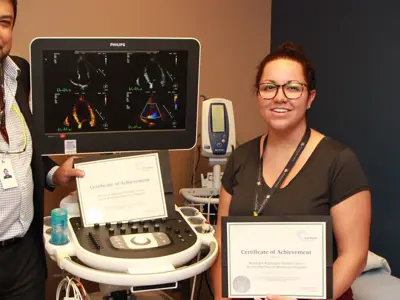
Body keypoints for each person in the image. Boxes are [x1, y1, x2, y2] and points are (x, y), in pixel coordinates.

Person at [210, 42, 371, 300]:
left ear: (310, 98)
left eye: (293, 88)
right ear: (258, 95)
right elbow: (222, 245)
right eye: (269, 87)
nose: (280, 97)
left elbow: (355, 255)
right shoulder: (240, 158)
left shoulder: (339, 162)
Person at [0, 1, 85, 299]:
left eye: (4, 22)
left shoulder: (19, 74)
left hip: (25, 257)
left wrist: (53, 174)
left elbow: (23, 153)